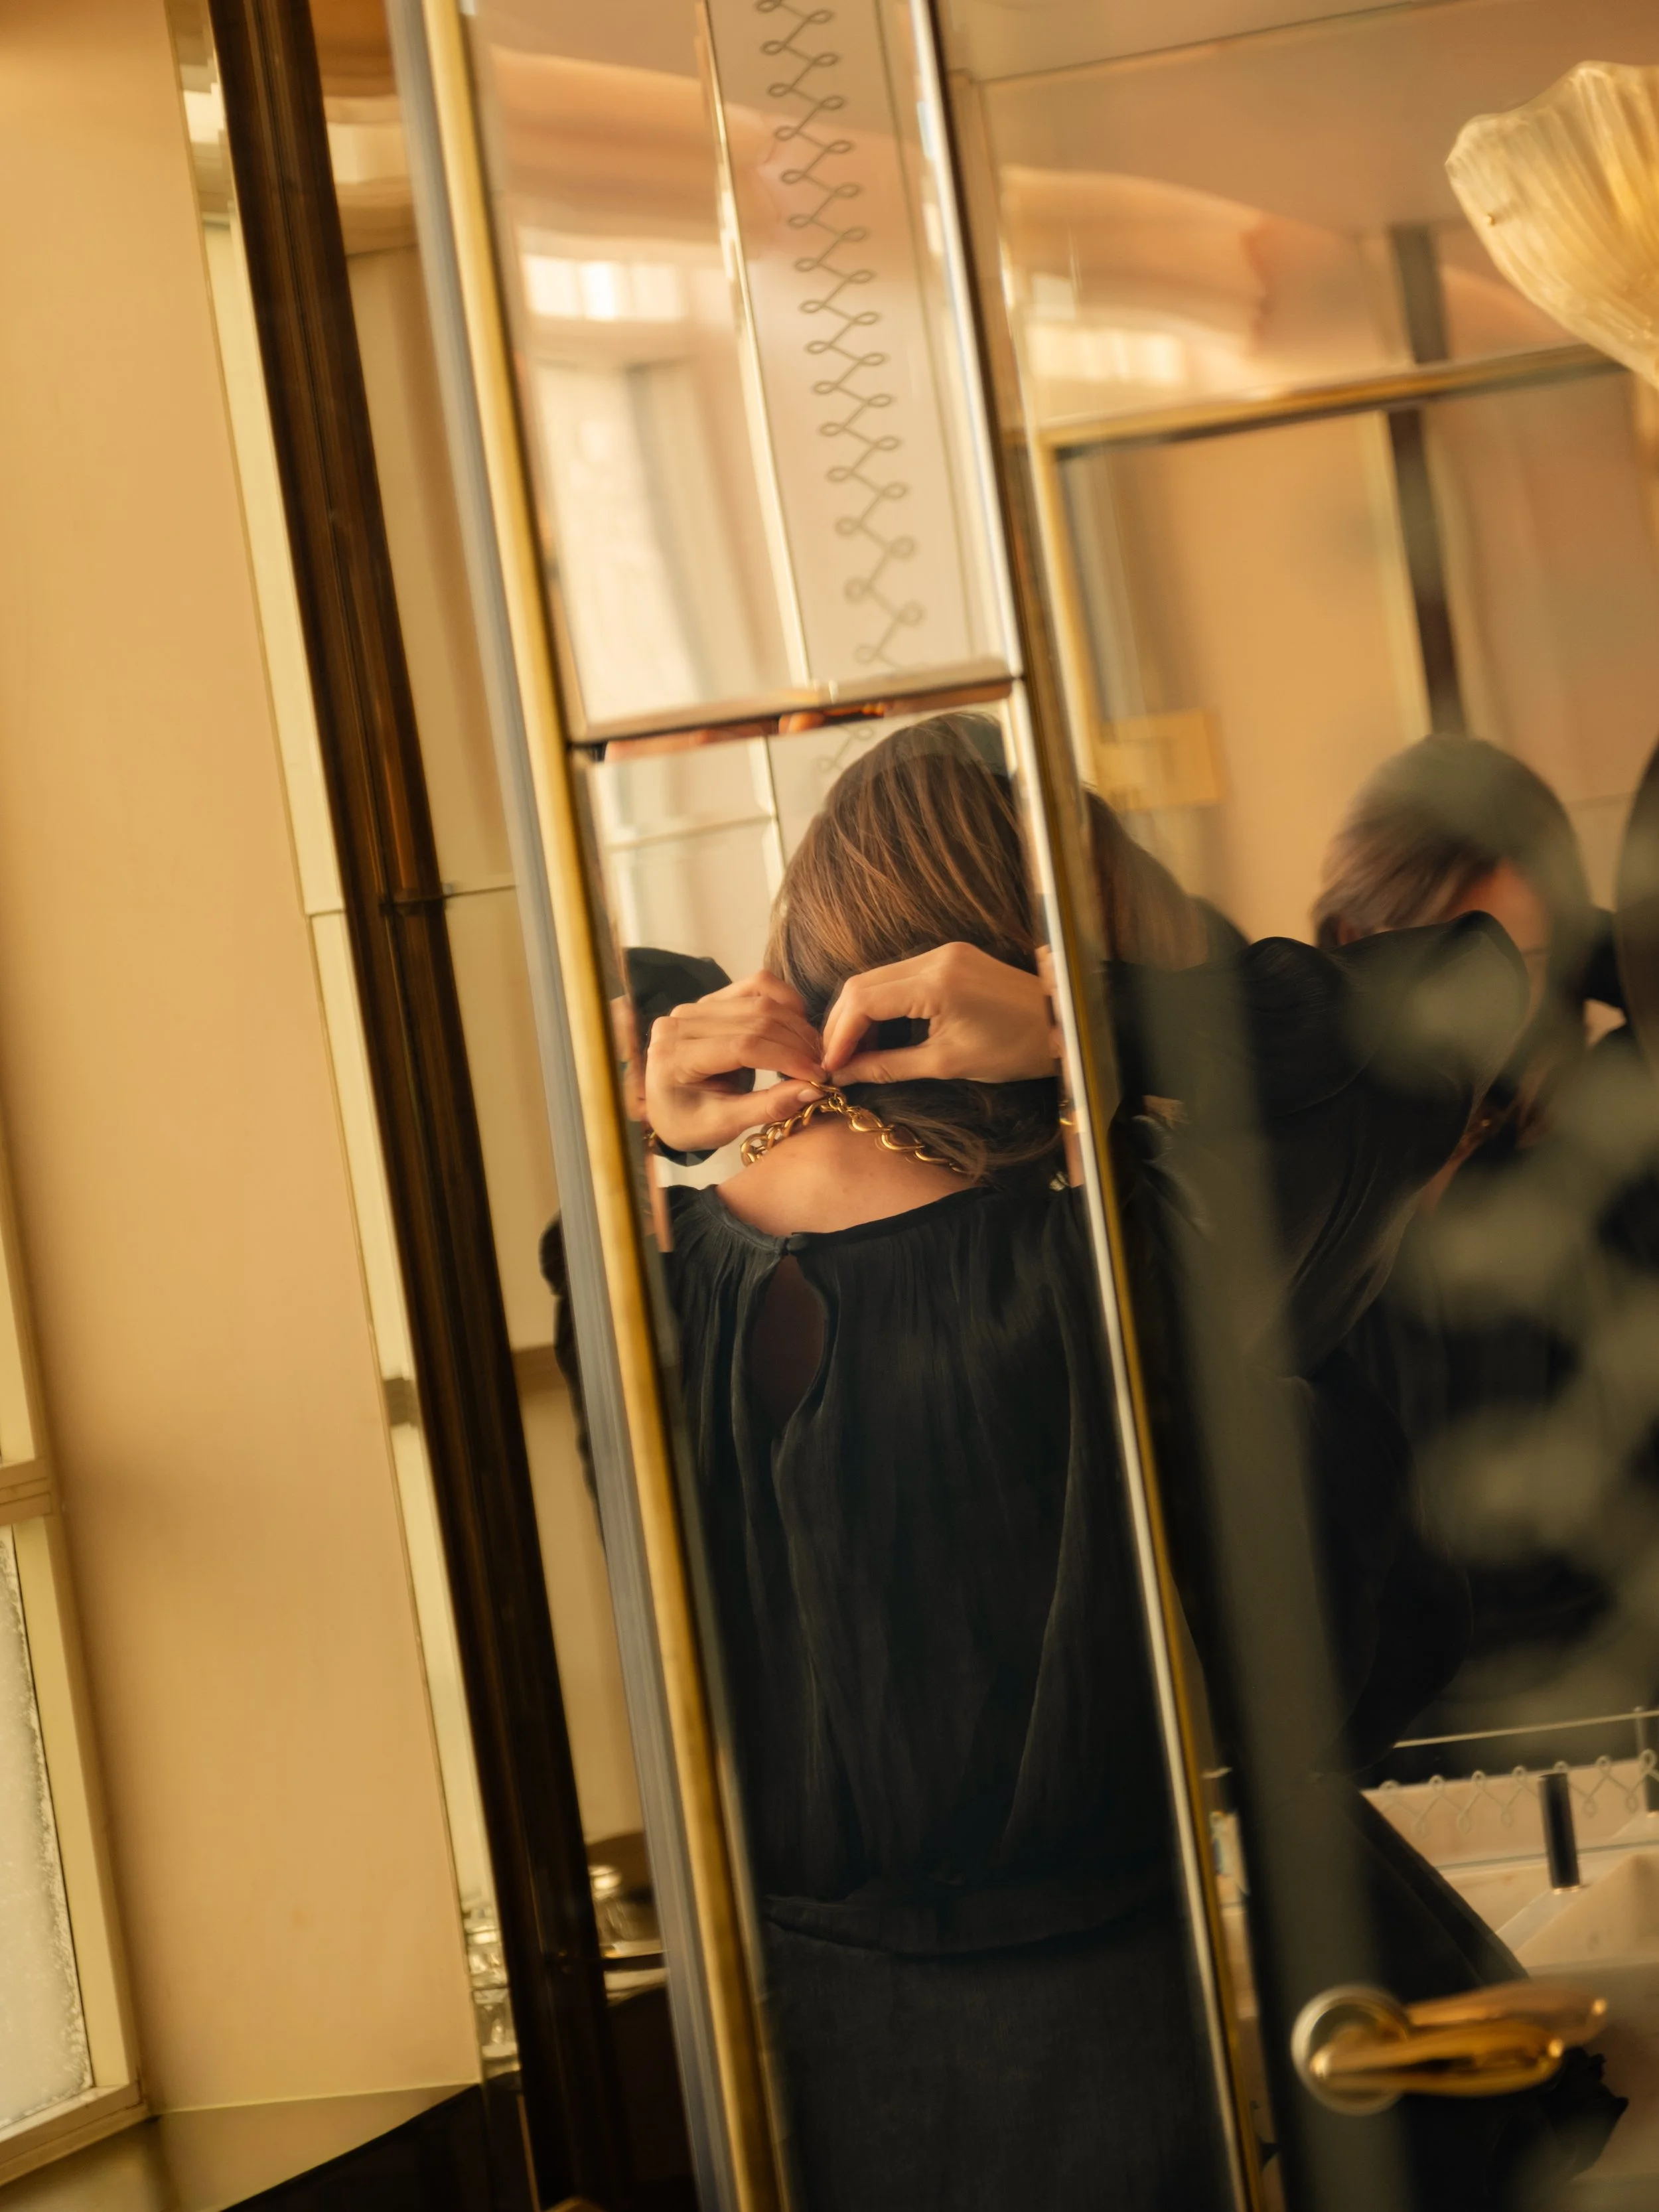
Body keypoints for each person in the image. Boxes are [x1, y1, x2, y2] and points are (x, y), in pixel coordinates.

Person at [641, 714, 1621, 2209]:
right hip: (1115, 2029)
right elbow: (1462, 979)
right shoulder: (1133, 1245)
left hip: (794, 2060)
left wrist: (653, 1121)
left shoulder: (631, 1270)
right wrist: (1090, 1020)